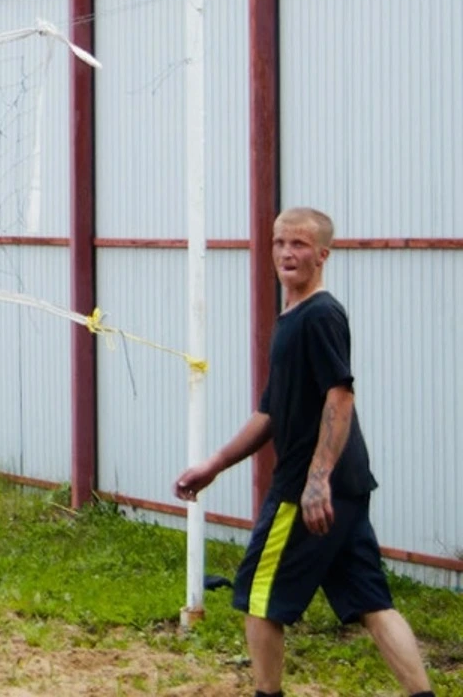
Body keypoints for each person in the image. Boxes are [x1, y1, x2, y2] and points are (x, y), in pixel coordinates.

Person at [175, 208, 435, 697]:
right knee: (371, 601)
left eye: (299, 244)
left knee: (257, 595)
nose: (287, 253)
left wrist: (317, 480)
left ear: (322, 255)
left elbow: (341, 394)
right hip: (348, 489)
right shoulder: (293, 318)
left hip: (308, 490)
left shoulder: (320, 315)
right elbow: (271, 412)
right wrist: (214, 465)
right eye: (280, 243)